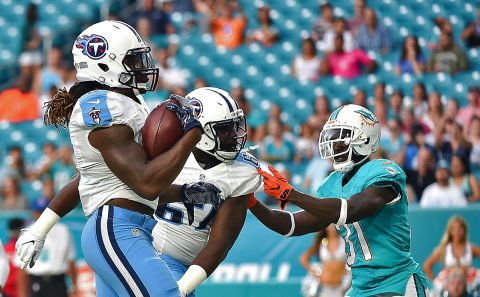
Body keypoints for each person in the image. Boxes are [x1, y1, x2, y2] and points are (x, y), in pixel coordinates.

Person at [15, 20, 221, 297]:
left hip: (133, 227)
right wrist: (191, 135)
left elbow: (101, 181)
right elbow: (145, 184)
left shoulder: (127, 102)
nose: (141, 67)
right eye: (133, 60)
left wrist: (184, 192)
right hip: (116, 229)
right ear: (104, 64)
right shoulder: (102, 105)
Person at [250, 104, 430, 296]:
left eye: (341, 139)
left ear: (365, 139)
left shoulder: (383, 171)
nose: (334, 145)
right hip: (361, 288)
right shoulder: (331, 184)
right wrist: (251, 202)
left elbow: (351, 210)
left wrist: (292, 194)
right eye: (332, 138)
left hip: (398, 282)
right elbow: (291, 225)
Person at [152, 87, 261, 297]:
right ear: (200, 131)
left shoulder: (242, 172)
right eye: (224, 129)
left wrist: (182, 288)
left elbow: (221, 242)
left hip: (180, 264)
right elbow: (137, 189)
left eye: (234, 127)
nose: (233, 135)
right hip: (141, 242)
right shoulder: (164, 146)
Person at [15, 197, 77, 297]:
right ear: (34, 213)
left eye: (44, 211)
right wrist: (22, 294)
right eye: (39, 211)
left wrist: (74, 287)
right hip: (36, 281)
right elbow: (22, 269)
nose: (42, 215)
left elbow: (71, 261)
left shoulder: (63, 231)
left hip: (57, 282)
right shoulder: (26, 233)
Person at [423, 216, 480, 295]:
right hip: (449, 285)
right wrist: (435, 281)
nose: (457, 232)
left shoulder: (470, 247)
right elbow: (427, 265)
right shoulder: (444, 248)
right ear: (450, 231)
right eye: (454, 229)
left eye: (460, 228)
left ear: (464, 230)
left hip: (468, 283)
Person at [299, 225, 348, 297]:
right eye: (329, 224)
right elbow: (303, 259)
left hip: (341, 287)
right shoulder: (321, 242)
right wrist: (315, 271)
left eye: (334, 224)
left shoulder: (345, 240)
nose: (332, 227)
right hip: (323, 287)